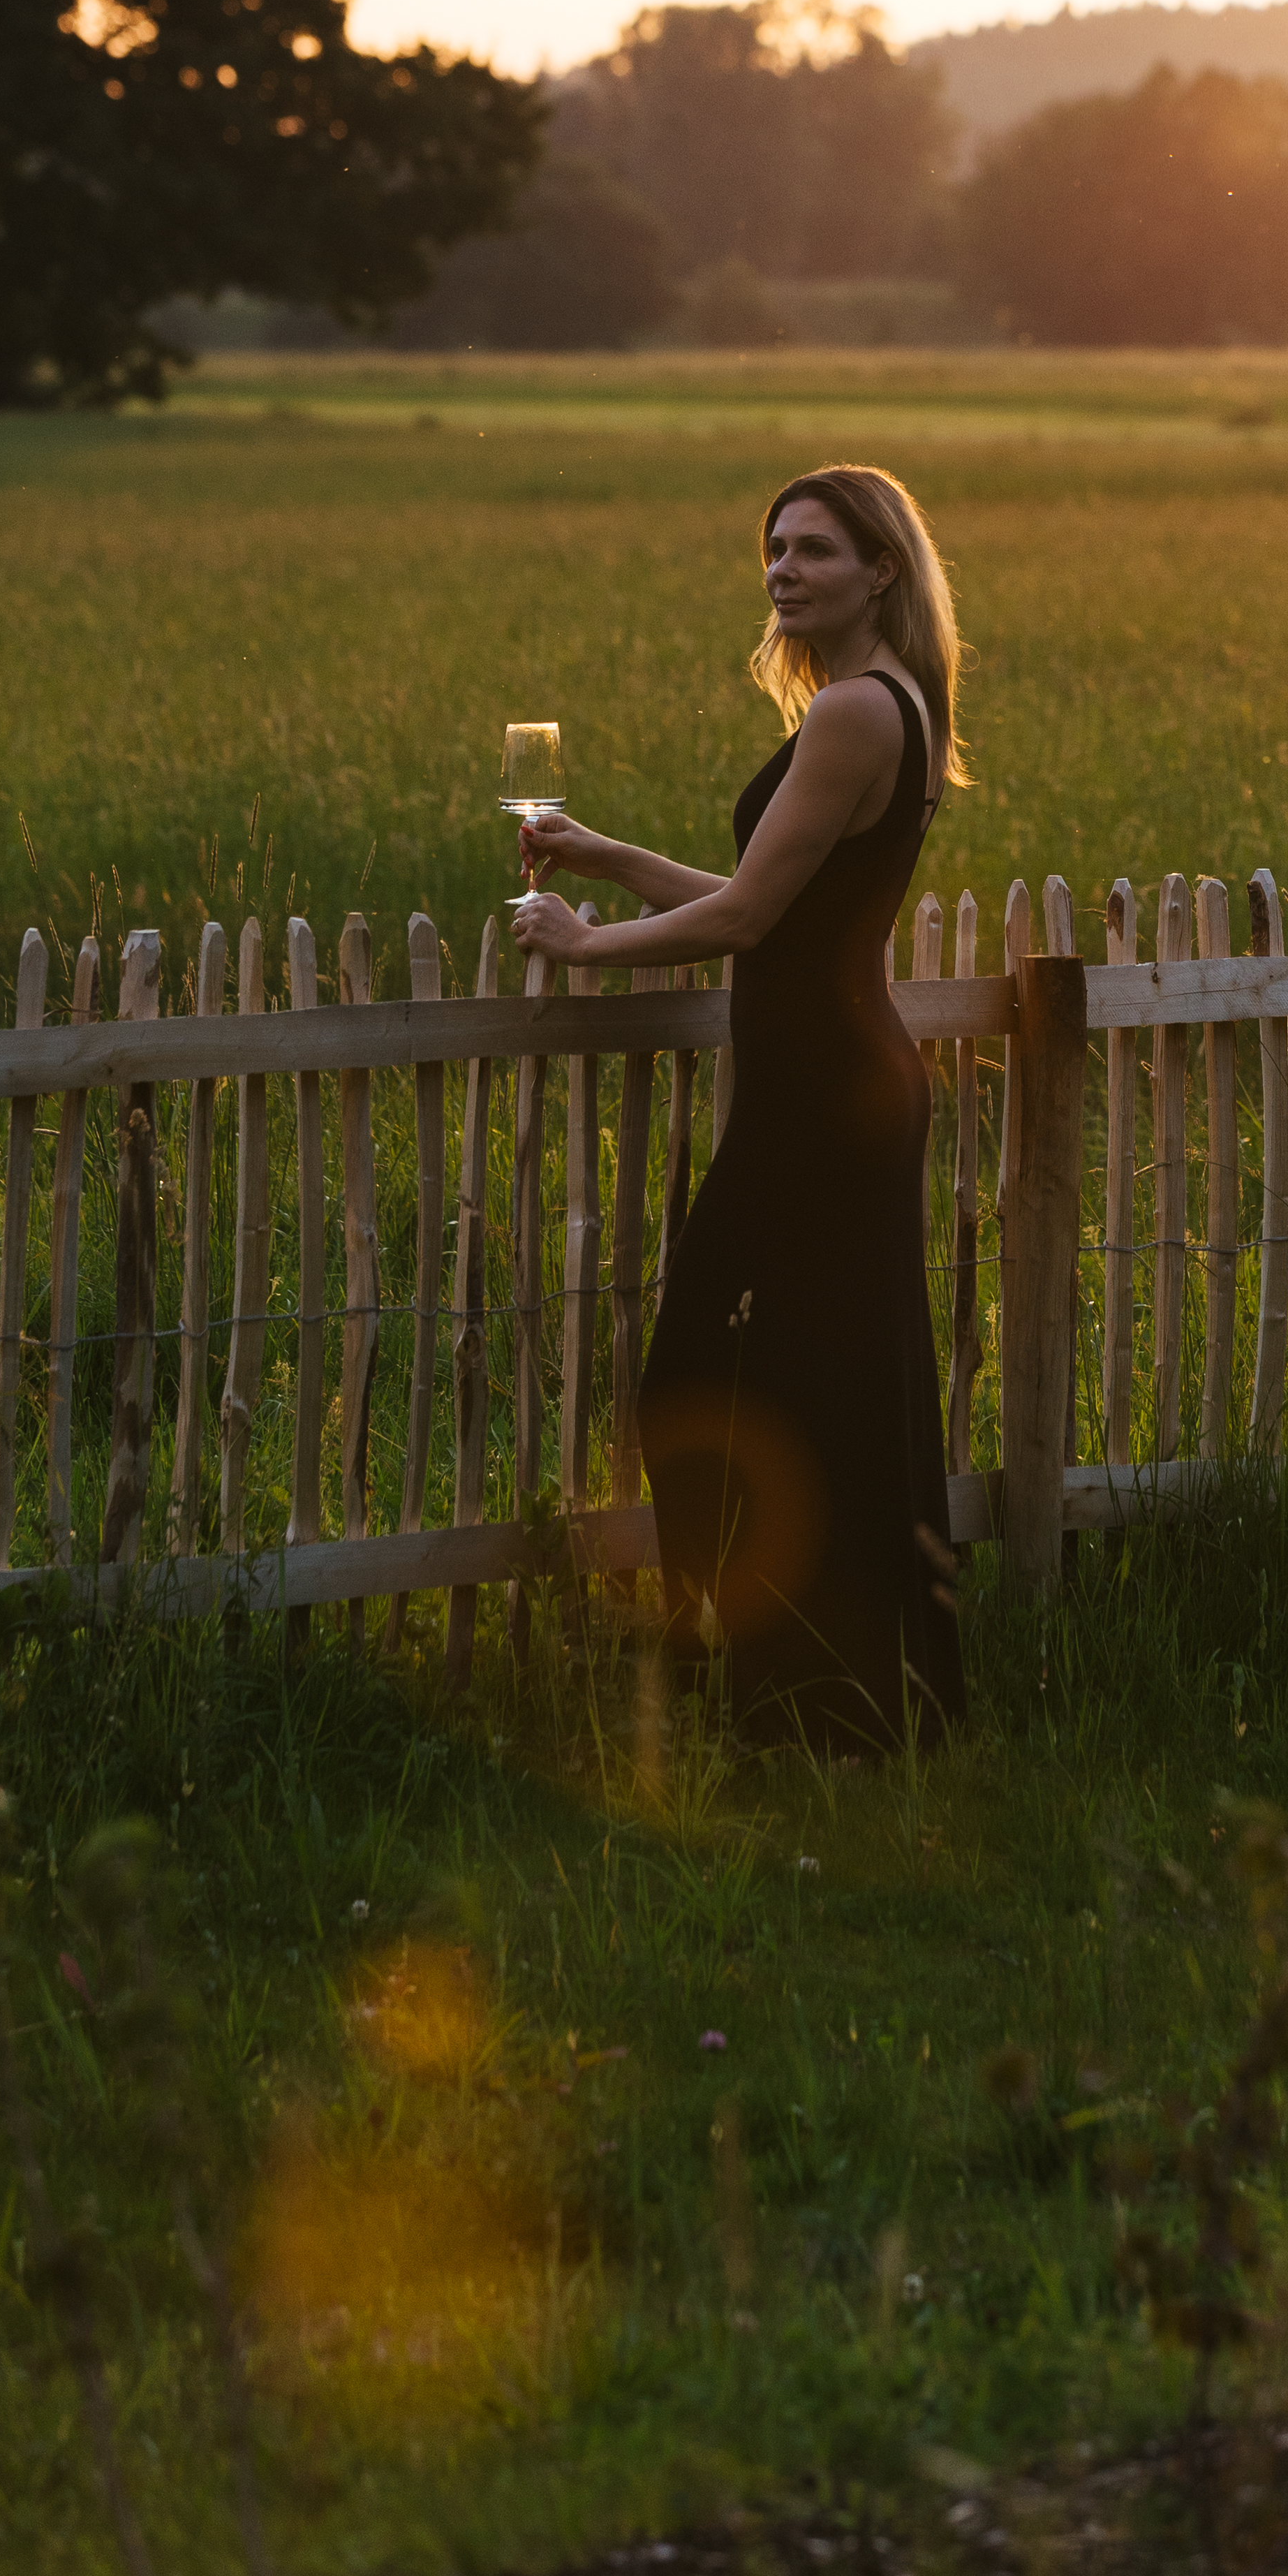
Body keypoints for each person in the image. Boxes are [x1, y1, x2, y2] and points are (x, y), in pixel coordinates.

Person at [511, 464, 968, 1751]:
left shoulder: (854, 717)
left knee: (703, 1384)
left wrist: (583, 942)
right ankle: (829, 1701)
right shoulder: (890, 705)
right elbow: (773, 889)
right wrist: (609, 855)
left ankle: (790, 1693)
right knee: (819, 1389)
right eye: (772, 549)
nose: (782, 570)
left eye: (814, 549)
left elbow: (753, 919)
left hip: (826, 1099)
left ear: (881, 570)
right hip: (835, 1084)